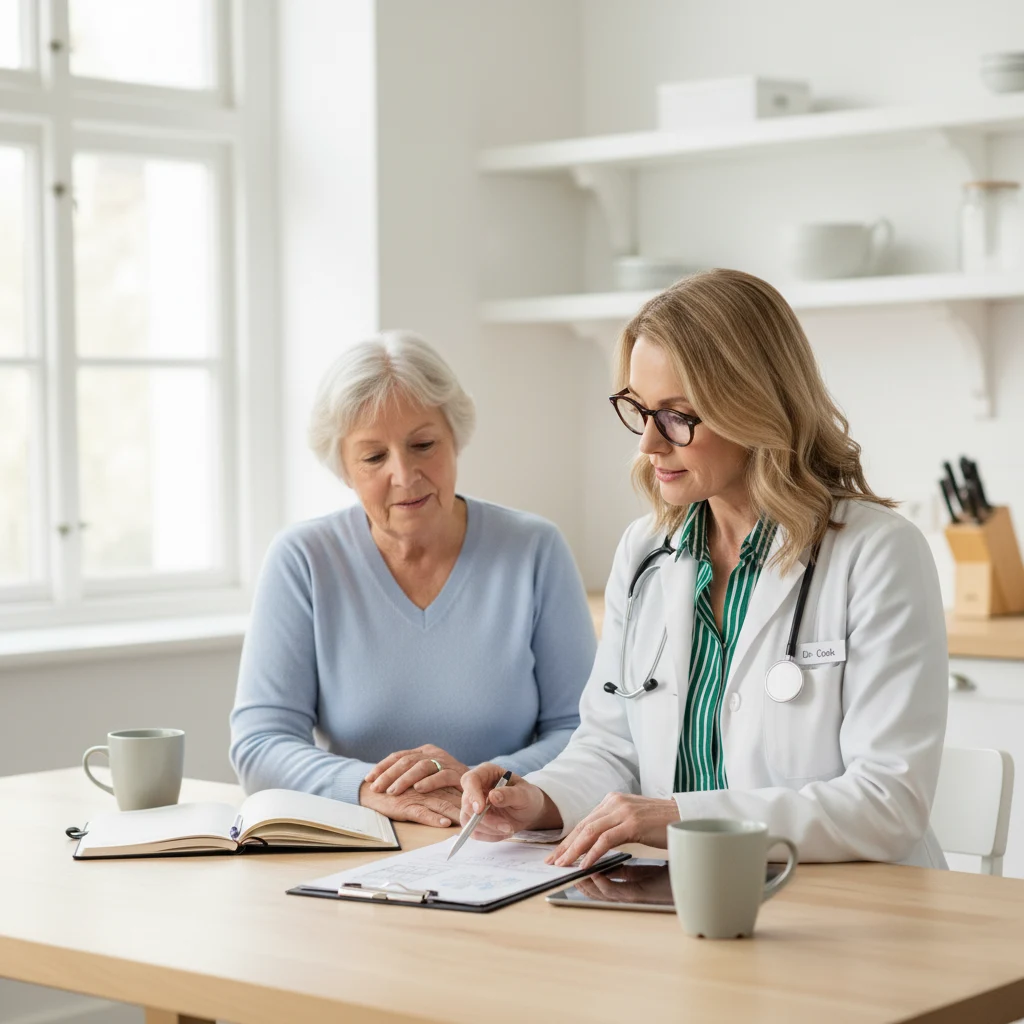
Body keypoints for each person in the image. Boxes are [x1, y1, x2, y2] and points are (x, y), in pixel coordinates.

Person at [461, 269, 948, 869]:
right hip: (684, 892)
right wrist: (540, 799)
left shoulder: (876, 554)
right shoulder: (646, 553)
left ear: (755, 408)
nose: (648, 443)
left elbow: (887, 803)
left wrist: (683, 818)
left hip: (847, 913)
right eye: (639, 409)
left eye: (677, 415)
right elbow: (612, 747)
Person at [230, 331, 595, 828]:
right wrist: (371, 790)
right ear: (343, 468)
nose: (405, 474)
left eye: (423, 445)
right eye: (374, 457)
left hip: (502, 840)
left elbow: (582, 730)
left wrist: (482, 780)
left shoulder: (534, 549)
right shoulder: (303, 560)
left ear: (455, 439)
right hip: (356, 842)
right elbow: (259, 744)